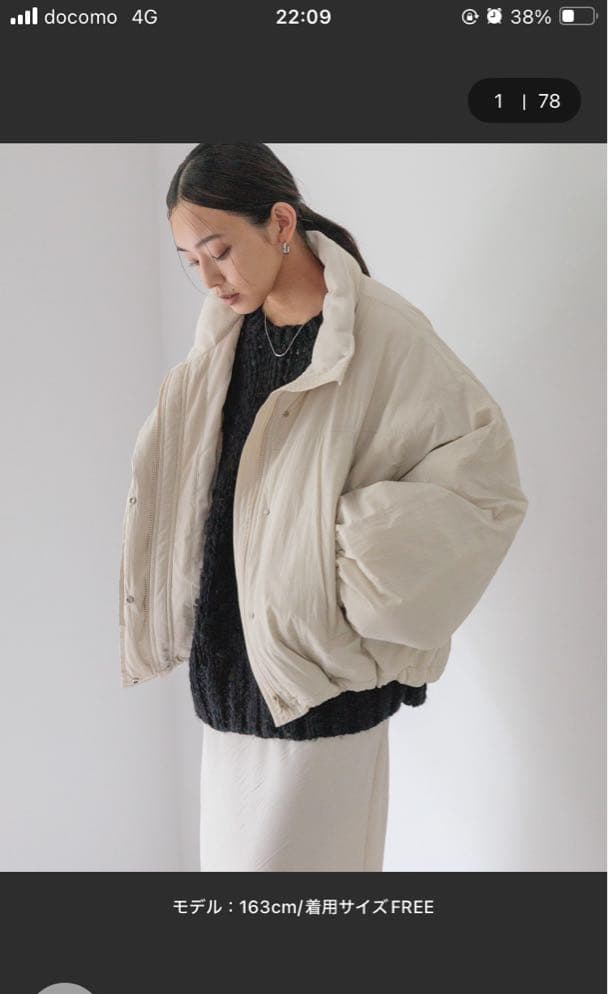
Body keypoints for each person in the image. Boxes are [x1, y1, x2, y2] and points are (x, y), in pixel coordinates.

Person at [119, 143, 529, 872]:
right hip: (230, 681)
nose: (208, 279)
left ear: (280, 223)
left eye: (220, 251)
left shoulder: (384, 335)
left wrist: (337, 555)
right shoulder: (226, 336)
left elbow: (484, 485)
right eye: (190, 261)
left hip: (321, 687)